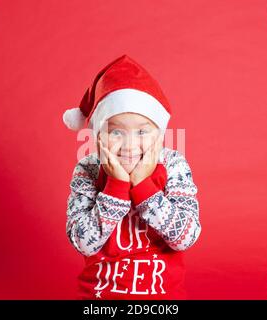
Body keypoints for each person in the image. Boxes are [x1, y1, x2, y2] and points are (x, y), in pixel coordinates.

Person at [62, 54, 201, 299]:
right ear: (97, 135)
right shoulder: (88, 170)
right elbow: (84, 243)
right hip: (99, 298)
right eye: (115, 131)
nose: (128, 145)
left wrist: (143, 184)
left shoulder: (174, 165)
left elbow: (185, 238)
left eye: (141, 131)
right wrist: (116, 186)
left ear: (159, 133)